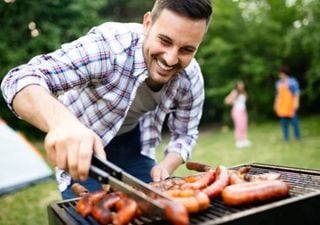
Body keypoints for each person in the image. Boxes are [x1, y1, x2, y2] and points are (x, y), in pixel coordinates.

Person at [1, 0, 212, 199]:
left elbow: (185, 135)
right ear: (147, 23)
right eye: (165, 41)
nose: (171, 58)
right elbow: (18, 79)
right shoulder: (109, 47)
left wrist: (165, 166)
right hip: (83, 147)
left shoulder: (190, 77)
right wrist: (62, 124)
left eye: (187, 49)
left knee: (151, 212)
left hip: (135, 145)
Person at [274, 66, 301, 141]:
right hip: (282, 105)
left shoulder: (292, 82)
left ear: (284, 74)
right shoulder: (278, 83)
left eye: (280, 74)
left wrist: (296, 103)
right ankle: (285, 137)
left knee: (294, 122)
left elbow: (296, 93)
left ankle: (297, 136)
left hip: (291, 104)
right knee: (284, 122)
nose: (279, 75)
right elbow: (277, 95)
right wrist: (276, 104)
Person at [224, 80, 251, 148]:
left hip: (243, 111)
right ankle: (239, 141)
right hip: (236, 111)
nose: (241, 86)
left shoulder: (243, 92)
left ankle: (244, 139)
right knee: (239, 126)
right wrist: (232, 101)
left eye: (242, 85)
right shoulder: (234, 92)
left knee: (244, 125)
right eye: (240, 85)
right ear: (237, 86)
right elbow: (226, 101)